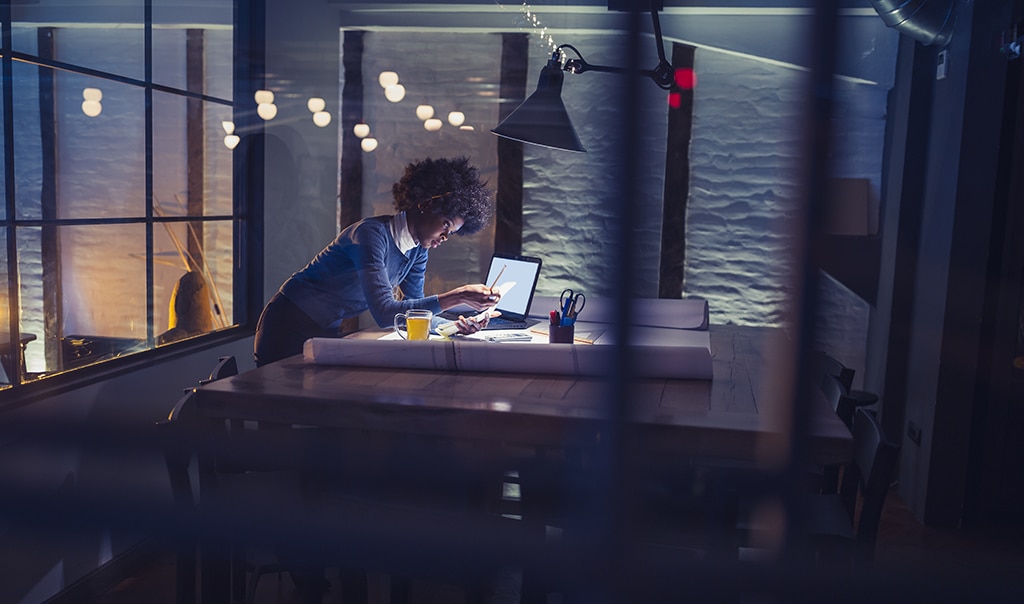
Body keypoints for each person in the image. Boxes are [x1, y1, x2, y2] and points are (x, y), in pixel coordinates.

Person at [254, 156, 500, 367]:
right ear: (426, 204)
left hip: (325, 329)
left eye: (452, 232)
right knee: (281, 411)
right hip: (288, 323)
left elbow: (415, 314)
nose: (445, 237)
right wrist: (458, 296)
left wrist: (456, 325)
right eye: (446, 224)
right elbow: (385, 313)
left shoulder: (417, 251)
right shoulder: (370, 235)